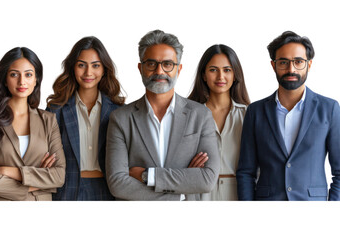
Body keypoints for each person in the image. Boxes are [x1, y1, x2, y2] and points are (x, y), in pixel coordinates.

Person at [105, 29, 220, 200]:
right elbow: (117, 183)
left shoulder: (201, 115)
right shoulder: (121, 118)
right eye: (151, 64)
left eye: (167, 64)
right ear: (140, 68)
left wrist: (147, 175)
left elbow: (207, 179)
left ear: (178, 69)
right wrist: (179, 194)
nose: (159, 71)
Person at [236, 31, 340, 200]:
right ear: (273, 65)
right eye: (283, 62)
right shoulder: (255, 111)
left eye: (298, 61)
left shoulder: (329, 108)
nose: (291, 69)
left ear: (309, 64)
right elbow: (246, 172)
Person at [0, 47, 66, 201]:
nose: (22, 81)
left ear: (36, 79)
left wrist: (7, 171)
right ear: (5, 79)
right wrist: (38, 181)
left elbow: (59, 176)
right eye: (14, 74)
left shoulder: (48, 120)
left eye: (28, 75)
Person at [46, 36, 125, 200]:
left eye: (95, 65)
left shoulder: (119, 111)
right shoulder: (56, 110)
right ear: (73, 68)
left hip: (107, 191)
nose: (88, 72)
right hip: (66, 190)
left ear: (104, 69)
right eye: (81, 65)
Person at [188, 44, 250, 200]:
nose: (220, 77)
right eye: (213, 70)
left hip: (238, 193)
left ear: (235, 74)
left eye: (227, 70)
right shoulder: (189, 115)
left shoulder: (248, 114)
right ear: (203, 75)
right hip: (199, 193)